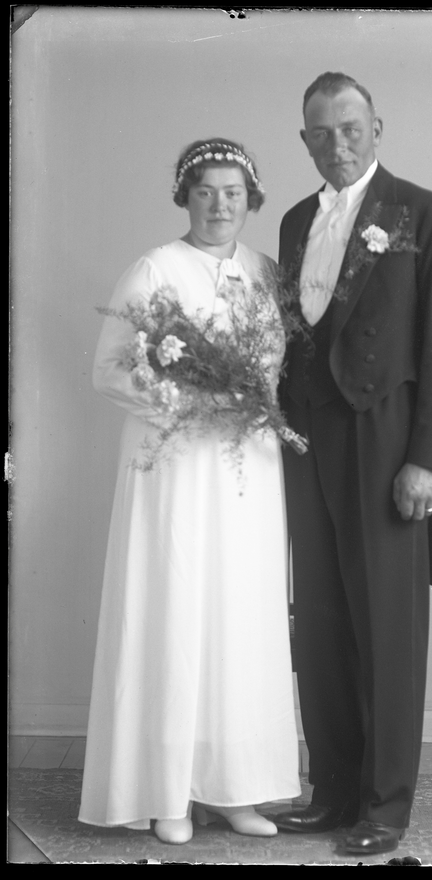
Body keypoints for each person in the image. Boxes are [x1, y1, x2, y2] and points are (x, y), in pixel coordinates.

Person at [269, 72, 432, 857]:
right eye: (322, 133)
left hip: (387, 441)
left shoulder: (426, 214)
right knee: (321, 623)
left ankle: (385, 808)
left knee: (387, 630)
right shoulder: (295, 220)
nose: (338, 145)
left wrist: (430, 460)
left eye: (351, 128)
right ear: (305, 141)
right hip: (308, 442)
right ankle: (332, 793)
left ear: (377, 129)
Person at [80, 139, 300, 844]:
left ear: (250, 199)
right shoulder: (155, 269)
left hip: (246, 467)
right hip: (175, 462)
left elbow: (278, 365)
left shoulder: (265, 273)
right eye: (205, 191)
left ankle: (236, 788)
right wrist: (193, 400)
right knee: (174, 608)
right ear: (185, 196)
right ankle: (167, 791)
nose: (219, 206)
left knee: (241, 615)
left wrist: (252, 400)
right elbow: (111, 369)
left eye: (232, 193)